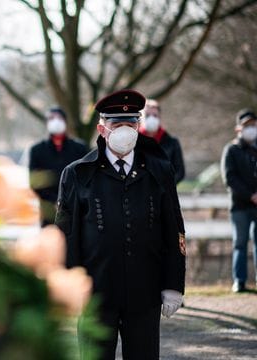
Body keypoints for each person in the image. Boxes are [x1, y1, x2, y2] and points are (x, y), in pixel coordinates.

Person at [55, 89, 186, 359]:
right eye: (117, 124)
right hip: (97, 291)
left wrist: (173, 283)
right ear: (102, 129)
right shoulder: (78, 174)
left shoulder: (159, 170)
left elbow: (174, 227)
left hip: (145, 291)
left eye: (131, 123)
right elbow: (66, 235)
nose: (126, 130)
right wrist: (69, 284)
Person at [28, 107, 88, 226]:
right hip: (49, 210)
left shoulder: (80, 148)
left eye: (59, 118)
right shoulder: (37, 150)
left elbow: (86, 177)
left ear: (65, 122)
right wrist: (54, 201)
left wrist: (70, 201)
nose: (56, 121)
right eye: (51, 118)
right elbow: (34, 181)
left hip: (76, 208)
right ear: (47, 123)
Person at [221, 108, 257, 293]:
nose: (251, 129)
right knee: (240, 243)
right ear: (238, 129)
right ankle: (239, 281)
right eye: (247, 126)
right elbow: (230, 178)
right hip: (240, 206)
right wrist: (250, 195)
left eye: (253, 125)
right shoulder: (231, 150)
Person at [140, 99, 186, 184]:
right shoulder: (133, 142)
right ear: (140, 118)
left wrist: (165, 186)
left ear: (160, 117)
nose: (151, 118)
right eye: (147, 115)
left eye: (155, 115)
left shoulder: (172, 143)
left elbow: (179, 172)